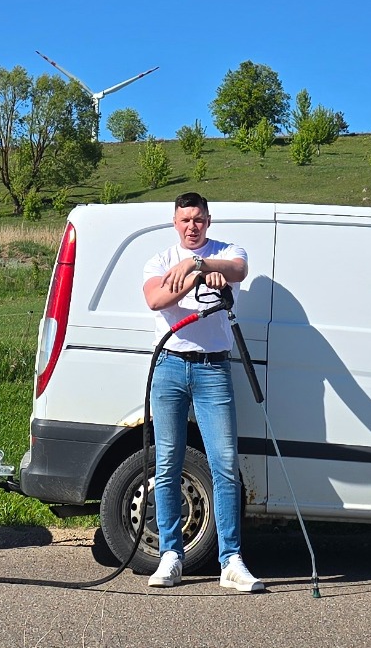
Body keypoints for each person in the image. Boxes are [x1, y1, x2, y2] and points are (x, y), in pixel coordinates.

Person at [140, 191, 263, 592]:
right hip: (170, 366)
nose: (192, 226)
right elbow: (156, 298)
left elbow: (239, 270)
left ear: (209, 220)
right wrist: (194, 277)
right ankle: (171, 555)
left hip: (213, 368)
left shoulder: (226, 251)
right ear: (174, 223)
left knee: (224, 464)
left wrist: (199, 264)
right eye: (185, 220)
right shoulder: (158, 261)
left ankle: (231, 560)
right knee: (168, 463)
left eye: (199, 219)